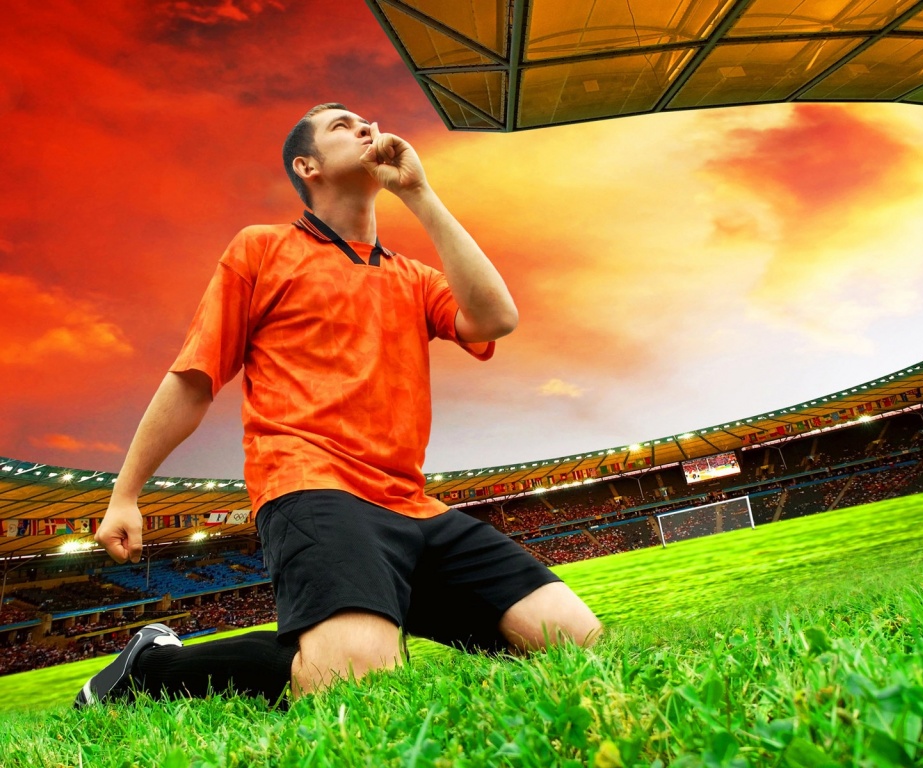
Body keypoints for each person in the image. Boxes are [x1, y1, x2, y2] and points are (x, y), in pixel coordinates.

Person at [75, 103, 601, 709]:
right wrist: (126, 494)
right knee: (359, 684)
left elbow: (496, 318)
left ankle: (378, 618)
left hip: (412, 503)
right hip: (312, 487)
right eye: (342, 125)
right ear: (308, 165)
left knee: (577, 643)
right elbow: (193, 380)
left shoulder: (414, 277)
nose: (366, 128)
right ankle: (154, 668)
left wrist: (420, 193)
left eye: (367, 122)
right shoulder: (261, 249)